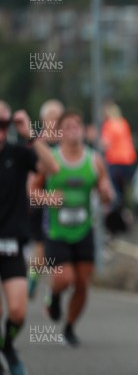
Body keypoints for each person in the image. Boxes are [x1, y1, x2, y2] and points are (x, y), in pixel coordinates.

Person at [31, 111, 113, 347]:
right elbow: (32, 192)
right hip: (57, 231)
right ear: (60, 132)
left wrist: (106, 194)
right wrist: (47, 198)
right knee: (64, 277)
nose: (74, 129)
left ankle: (69, 326)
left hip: (85, 229)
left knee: (82, 283)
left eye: (77, 124)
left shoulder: (94, 160)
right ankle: (54, 296)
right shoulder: (51, 160)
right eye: (68, 126)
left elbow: (106, 196)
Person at [0, 100, 59, 375]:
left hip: (12, 245)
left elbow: (52, 167)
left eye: (4, 125)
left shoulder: (17, 153)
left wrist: (30, 135)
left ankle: (8, 346)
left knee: (18, 313)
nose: (0, 131)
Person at [28, 99, 65, 299]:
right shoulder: (37, 144)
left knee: (57, 252)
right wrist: (43, 198)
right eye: (52, 117)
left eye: (59, 117)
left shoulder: (67, 144)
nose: (56, 121)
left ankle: (53, 291)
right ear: (43, 119)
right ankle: (33, 278)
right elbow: (31, 182)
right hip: (42, 204)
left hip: (63, 206)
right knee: (42, 248)